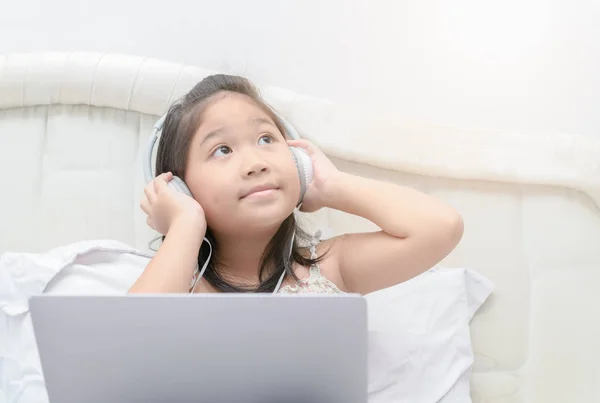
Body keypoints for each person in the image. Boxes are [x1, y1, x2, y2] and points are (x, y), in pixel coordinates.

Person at [128, 74, 464, 296]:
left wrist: (332, 185)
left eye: (265, 138)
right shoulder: (178, 282)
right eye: (223, 150)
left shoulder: (332, 267)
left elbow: (441, 227)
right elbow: (129, 347)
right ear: (181, 189)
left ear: (299, 165)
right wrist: (183, 225)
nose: (257, 163)